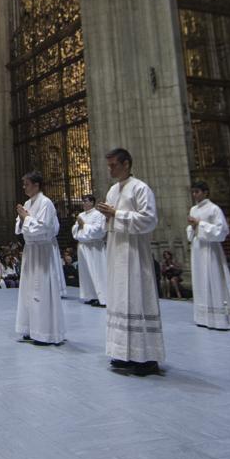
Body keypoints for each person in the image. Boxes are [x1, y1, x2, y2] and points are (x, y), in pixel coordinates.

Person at [96, 148, 163, 375]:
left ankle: (146, 357)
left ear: (126, 164)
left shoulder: (140, 188)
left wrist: (116, 214)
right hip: (117, 251)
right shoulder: (113, 190)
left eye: (114, 164)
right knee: (119, 300)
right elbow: (110, 220)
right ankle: (123, 352)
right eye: (109, 165)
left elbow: (149, 220)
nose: (110, 169)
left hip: (135, 254)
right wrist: (107, 216)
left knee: (137, 299)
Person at [14, 171, 64, 346]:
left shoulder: (46, 203)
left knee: (41, 291)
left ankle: (44, 332)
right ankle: (30, 328)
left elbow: (42, 228)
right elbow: (19, 228)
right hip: (30, 251)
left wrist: (25, 218)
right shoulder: (28, 202)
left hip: (42, 252)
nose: (24, 187)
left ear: (36, 185)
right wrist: (22, 219)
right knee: (28, 291)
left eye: (26, 184)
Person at [187, 181, 230, 330]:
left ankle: (219, 319)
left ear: (205, 192)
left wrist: (200, 224)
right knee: (200, 280)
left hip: (210, 249)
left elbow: (222, 231)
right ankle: (203, 317)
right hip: (198, 248)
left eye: (197, 191)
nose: (195, 194)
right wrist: (192, 227)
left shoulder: (214, 209)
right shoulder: (193, 209)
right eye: (193, 192)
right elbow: (191, 231)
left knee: (213, 279)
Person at [72, 195, 108, 307]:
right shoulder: (81, 215)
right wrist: (78, 226)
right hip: (83, 246)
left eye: (86, 201)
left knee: (97, 271)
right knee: (86, 273)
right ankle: (91, 295)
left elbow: (100, 230)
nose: (84, 203)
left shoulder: (98, 215)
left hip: (94, 247)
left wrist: (84, 225)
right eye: (83, 201)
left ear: (92, 202)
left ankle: (102, 298)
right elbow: (75, 229)